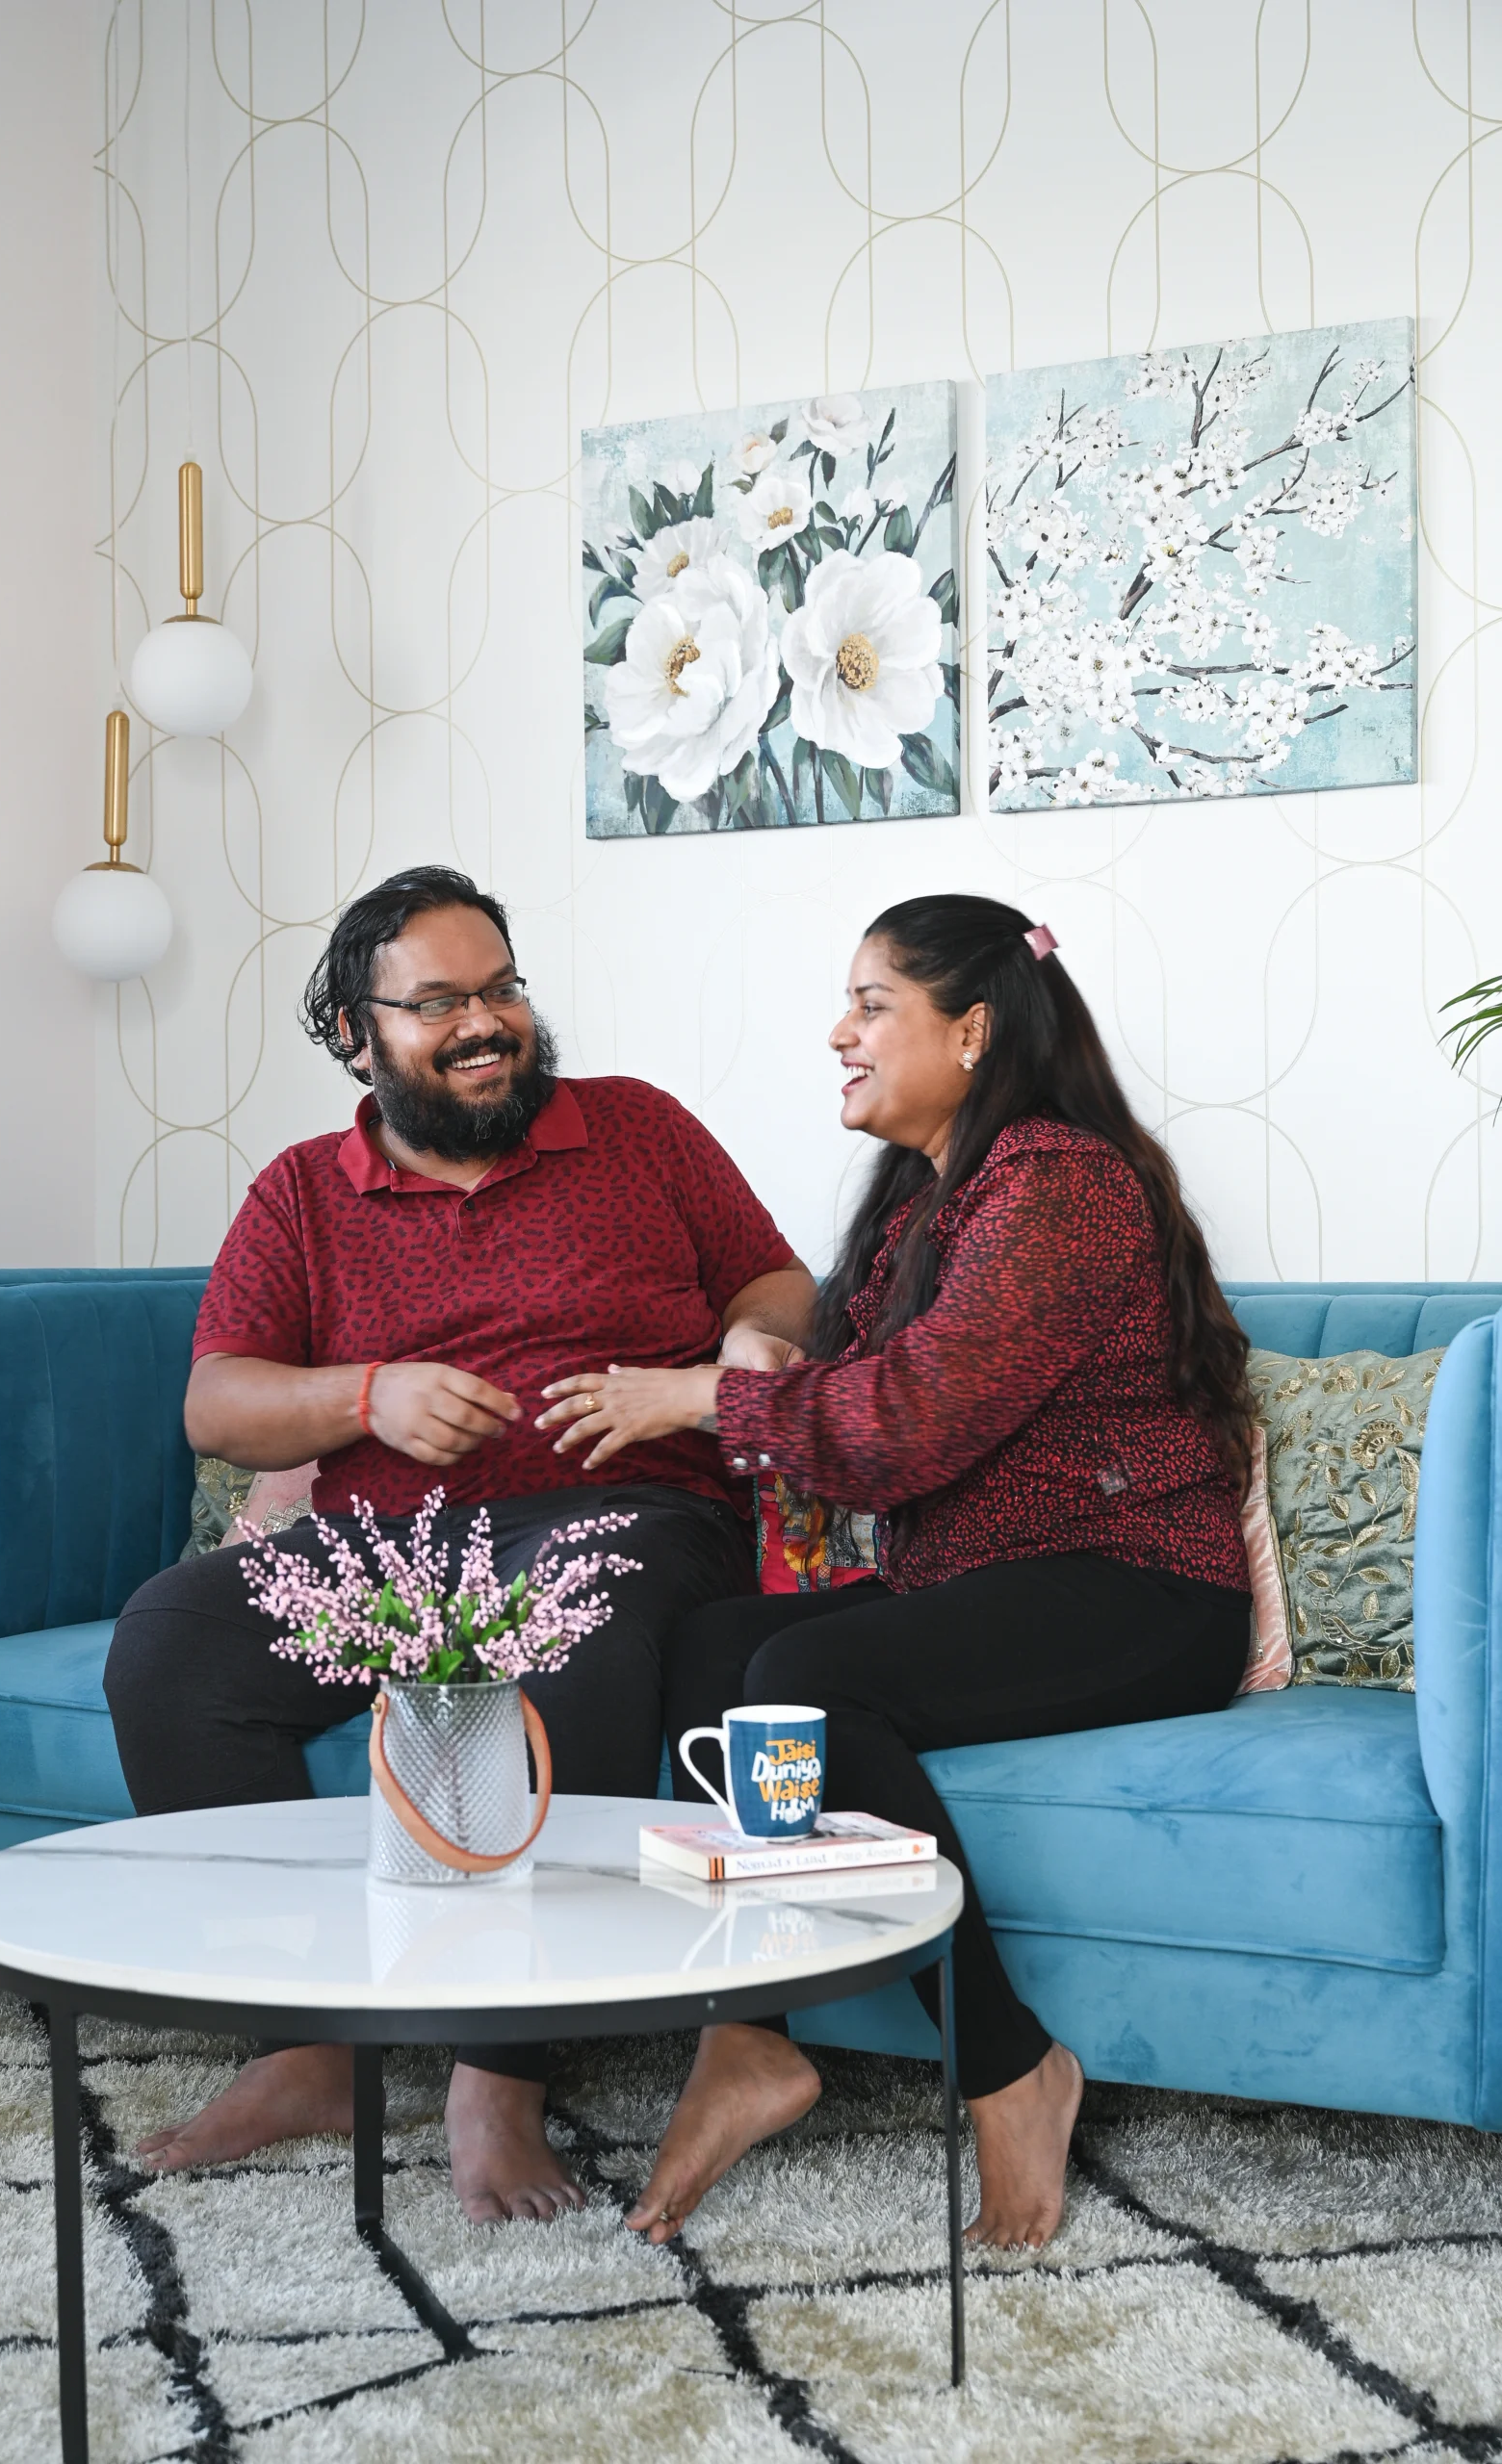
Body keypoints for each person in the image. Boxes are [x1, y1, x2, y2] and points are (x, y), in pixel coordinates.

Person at [536, 894, 1255, 2254]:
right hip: (986, 1578)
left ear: (971, 1030)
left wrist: (702, 1397)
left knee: (807, 1679)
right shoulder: (932, 1196)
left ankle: (1009, 2067)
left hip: (1140, 1587)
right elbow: (867, 1400)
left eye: (870, 1005)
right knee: (707, 1650)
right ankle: (747, 2034)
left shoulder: (1059, 1184)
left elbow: (912, 1421)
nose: (838, 1034)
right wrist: (765, 1367)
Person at [102, 864, 816, 2220]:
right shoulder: (302, 1193)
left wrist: (742, 1342)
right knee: (171, 1641)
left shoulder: (640, 1130)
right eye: (437, 1003)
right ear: (354, 1033)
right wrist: (365, 1397)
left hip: (630, 1516)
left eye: (500, 990)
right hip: (392, 1551)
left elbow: (775, 1279)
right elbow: (219, 1401)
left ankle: (499, 2070)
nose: (484, 1023)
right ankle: (308, 2044)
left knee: (565, 1616)